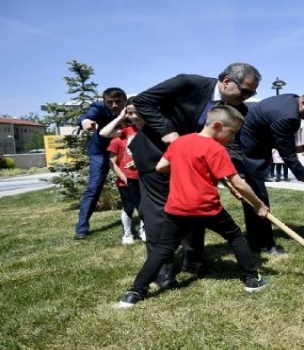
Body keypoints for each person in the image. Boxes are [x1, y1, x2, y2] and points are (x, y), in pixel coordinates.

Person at [119, 106, 269, 308]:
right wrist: (258, 205)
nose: (233, 138)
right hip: (206, 208)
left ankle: (134, 293)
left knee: (163, 249)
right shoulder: (216, 148)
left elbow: (161, 167)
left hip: (177, 208)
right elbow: (239, 183)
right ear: (217, 126)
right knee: (235, 236)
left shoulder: (180, 142)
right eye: (232, 132)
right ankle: (253, 279)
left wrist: (185, 165)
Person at [129, 63, 261, 287]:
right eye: (245, 91)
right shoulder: (188, 83)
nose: (247, 97)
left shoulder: (238, 111)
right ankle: (163, 271)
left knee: (198, 206)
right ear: (227, 81)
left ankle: (193, 259)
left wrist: (232, 175)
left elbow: (233, 146)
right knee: (160, 212)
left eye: (252, 93)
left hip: (198, 164)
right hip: (157, 156)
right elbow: (142, 101)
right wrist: (167, 131)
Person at [240, 91, 304, 255]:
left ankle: (255, 241)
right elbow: (288, 156)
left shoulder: (291, 99)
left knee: (253, 199)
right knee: (258, 199)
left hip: (254, 150)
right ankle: (264, 244)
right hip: (249, 154)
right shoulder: (289, 118)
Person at [74, 88, 127, 240]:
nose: (114, 105)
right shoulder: (99, 107)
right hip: (100, 153)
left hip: (125, 153)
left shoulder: (131, 109)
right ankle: (81, 228)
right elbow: (87, 117)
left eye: (118, 102)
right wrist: (85, 122)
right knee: (94, 188)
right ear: (105, 101)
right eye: (110, 102)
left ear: (124, 100)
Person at [100, 102, 146, 244]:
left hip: (145, 179)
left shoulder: (150, 131)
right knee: (129, 207)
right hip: (126, 180)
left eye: (137, 112)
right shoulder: (125, 132)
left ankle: (143, 230)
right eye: (130, 113)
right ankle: (127, 234)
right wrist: (120, 117)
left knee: (144, 206)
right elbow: (103, 133)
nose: (134, 116)